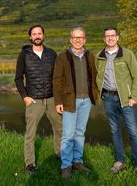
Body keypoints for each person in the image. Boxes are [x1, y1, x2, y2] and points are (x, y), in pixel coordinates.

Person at [95, 26, 137, 180]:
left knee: (133, 132)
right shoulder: (99, 56)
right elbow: (96, 77)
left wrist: (134, 96)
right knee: (114, 130)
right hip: (108, 98)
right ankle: (120, 161)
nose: (110, 38)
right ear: (104, 39)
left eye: (113, 35)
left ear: (117, 37)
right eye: (107, 36)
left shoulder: (127, 54)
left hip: (125, 99)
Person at [15, 24, 62, 175]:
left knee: (60, 129)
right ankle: (30, 164)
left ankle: (61, 156)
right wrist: (25, 97)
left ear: (43, 35)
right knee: (30, 134)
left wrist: (59, 97)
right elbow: (17, 78)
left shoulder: (52, 54)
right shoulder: (24, 55)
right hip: (34, 100)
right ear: (30, 37)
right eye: (34, 34)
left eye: (39, 33)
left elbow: (57, 77)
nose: (37, 36)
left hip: (52, 98)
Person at [53, 27, 99, 178]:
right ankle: (66, 165)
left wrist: (95, 95)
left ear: (84, 40)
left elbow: (94, 77)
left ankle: (77, 161)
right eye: (75, 37)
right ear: (71, 39)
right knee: (68, 134)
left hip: (86, 100)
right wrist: (58, 101)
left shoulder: (90, 56)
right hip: (69, 101)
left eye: (81, 38)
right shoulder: (62, 57)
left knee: (80, 132)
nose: (78, 40)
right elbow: (57, 81)